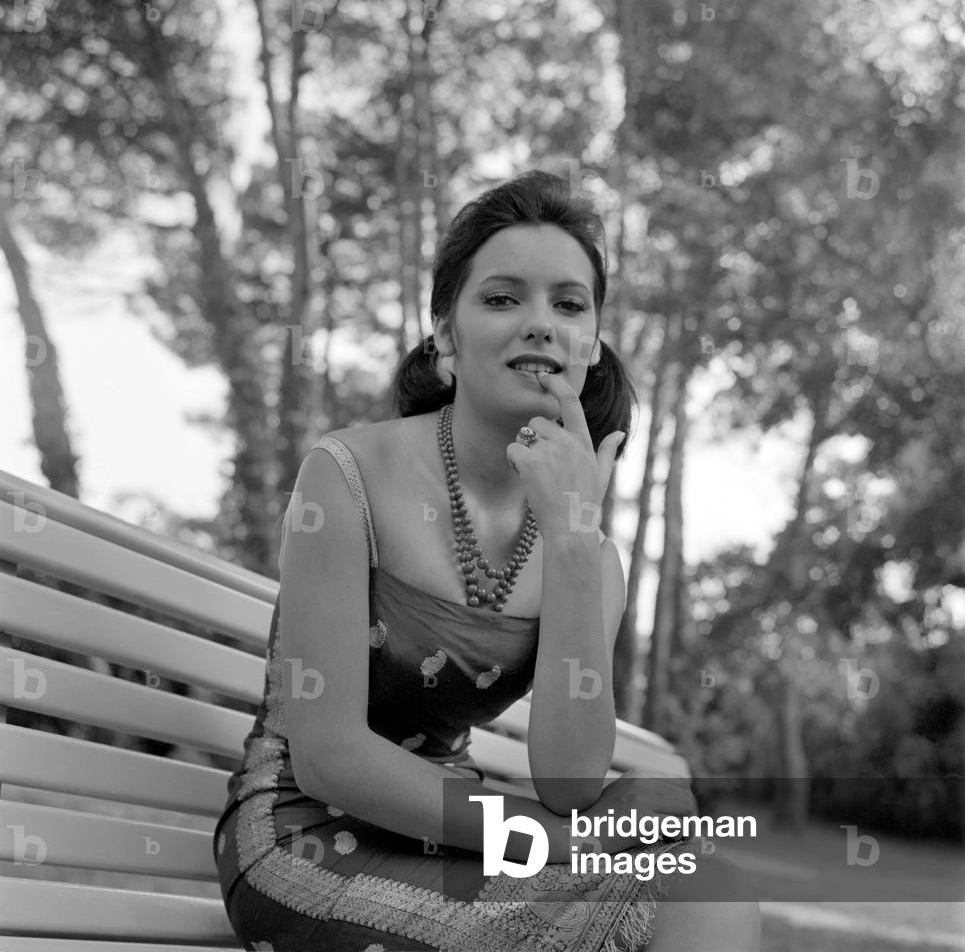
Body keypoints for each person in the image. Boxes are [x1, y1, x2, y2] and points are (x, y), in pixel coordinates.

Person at [212, 170, 760, 951]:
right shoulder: (345, 475)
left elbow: (570, 781)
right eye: (502, 299)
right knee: (662, 896)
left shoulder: (589, 549)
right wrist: (535, 835)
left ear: (591, 345)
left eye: (568, 304)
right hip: (304, 838)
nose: (540, 323)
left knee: (670, 820)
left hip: (455, 839)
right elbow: (329, 757)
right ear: (445, 337)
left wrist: (573, 545)